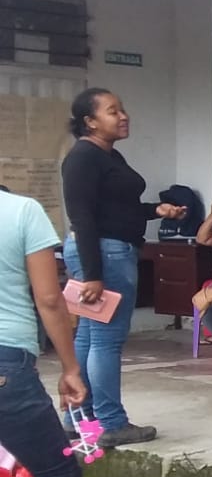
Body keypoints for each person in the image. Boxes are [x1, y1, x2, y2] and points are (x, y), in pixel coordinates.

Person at [0, 186, 136, 477]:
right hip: (5, 364)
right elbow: (49, 299)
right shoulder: (22, 211)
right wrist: (70, 368)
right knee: (59, 474)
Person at [60, 88, 188, 447]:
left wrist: (156, 210)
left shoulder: (108, 155)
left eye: (122, 109)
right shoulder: (83, 158)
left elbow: (116, 207)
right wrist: (93, 275)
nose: (123, 116)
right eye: (112, 111)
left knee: (89, 337)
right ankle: (111, 423)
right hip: (104, 255)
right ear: (90, 121)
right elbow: (83, 218)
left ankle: (78, 419)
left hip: (105, 250)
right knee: (105, 340)